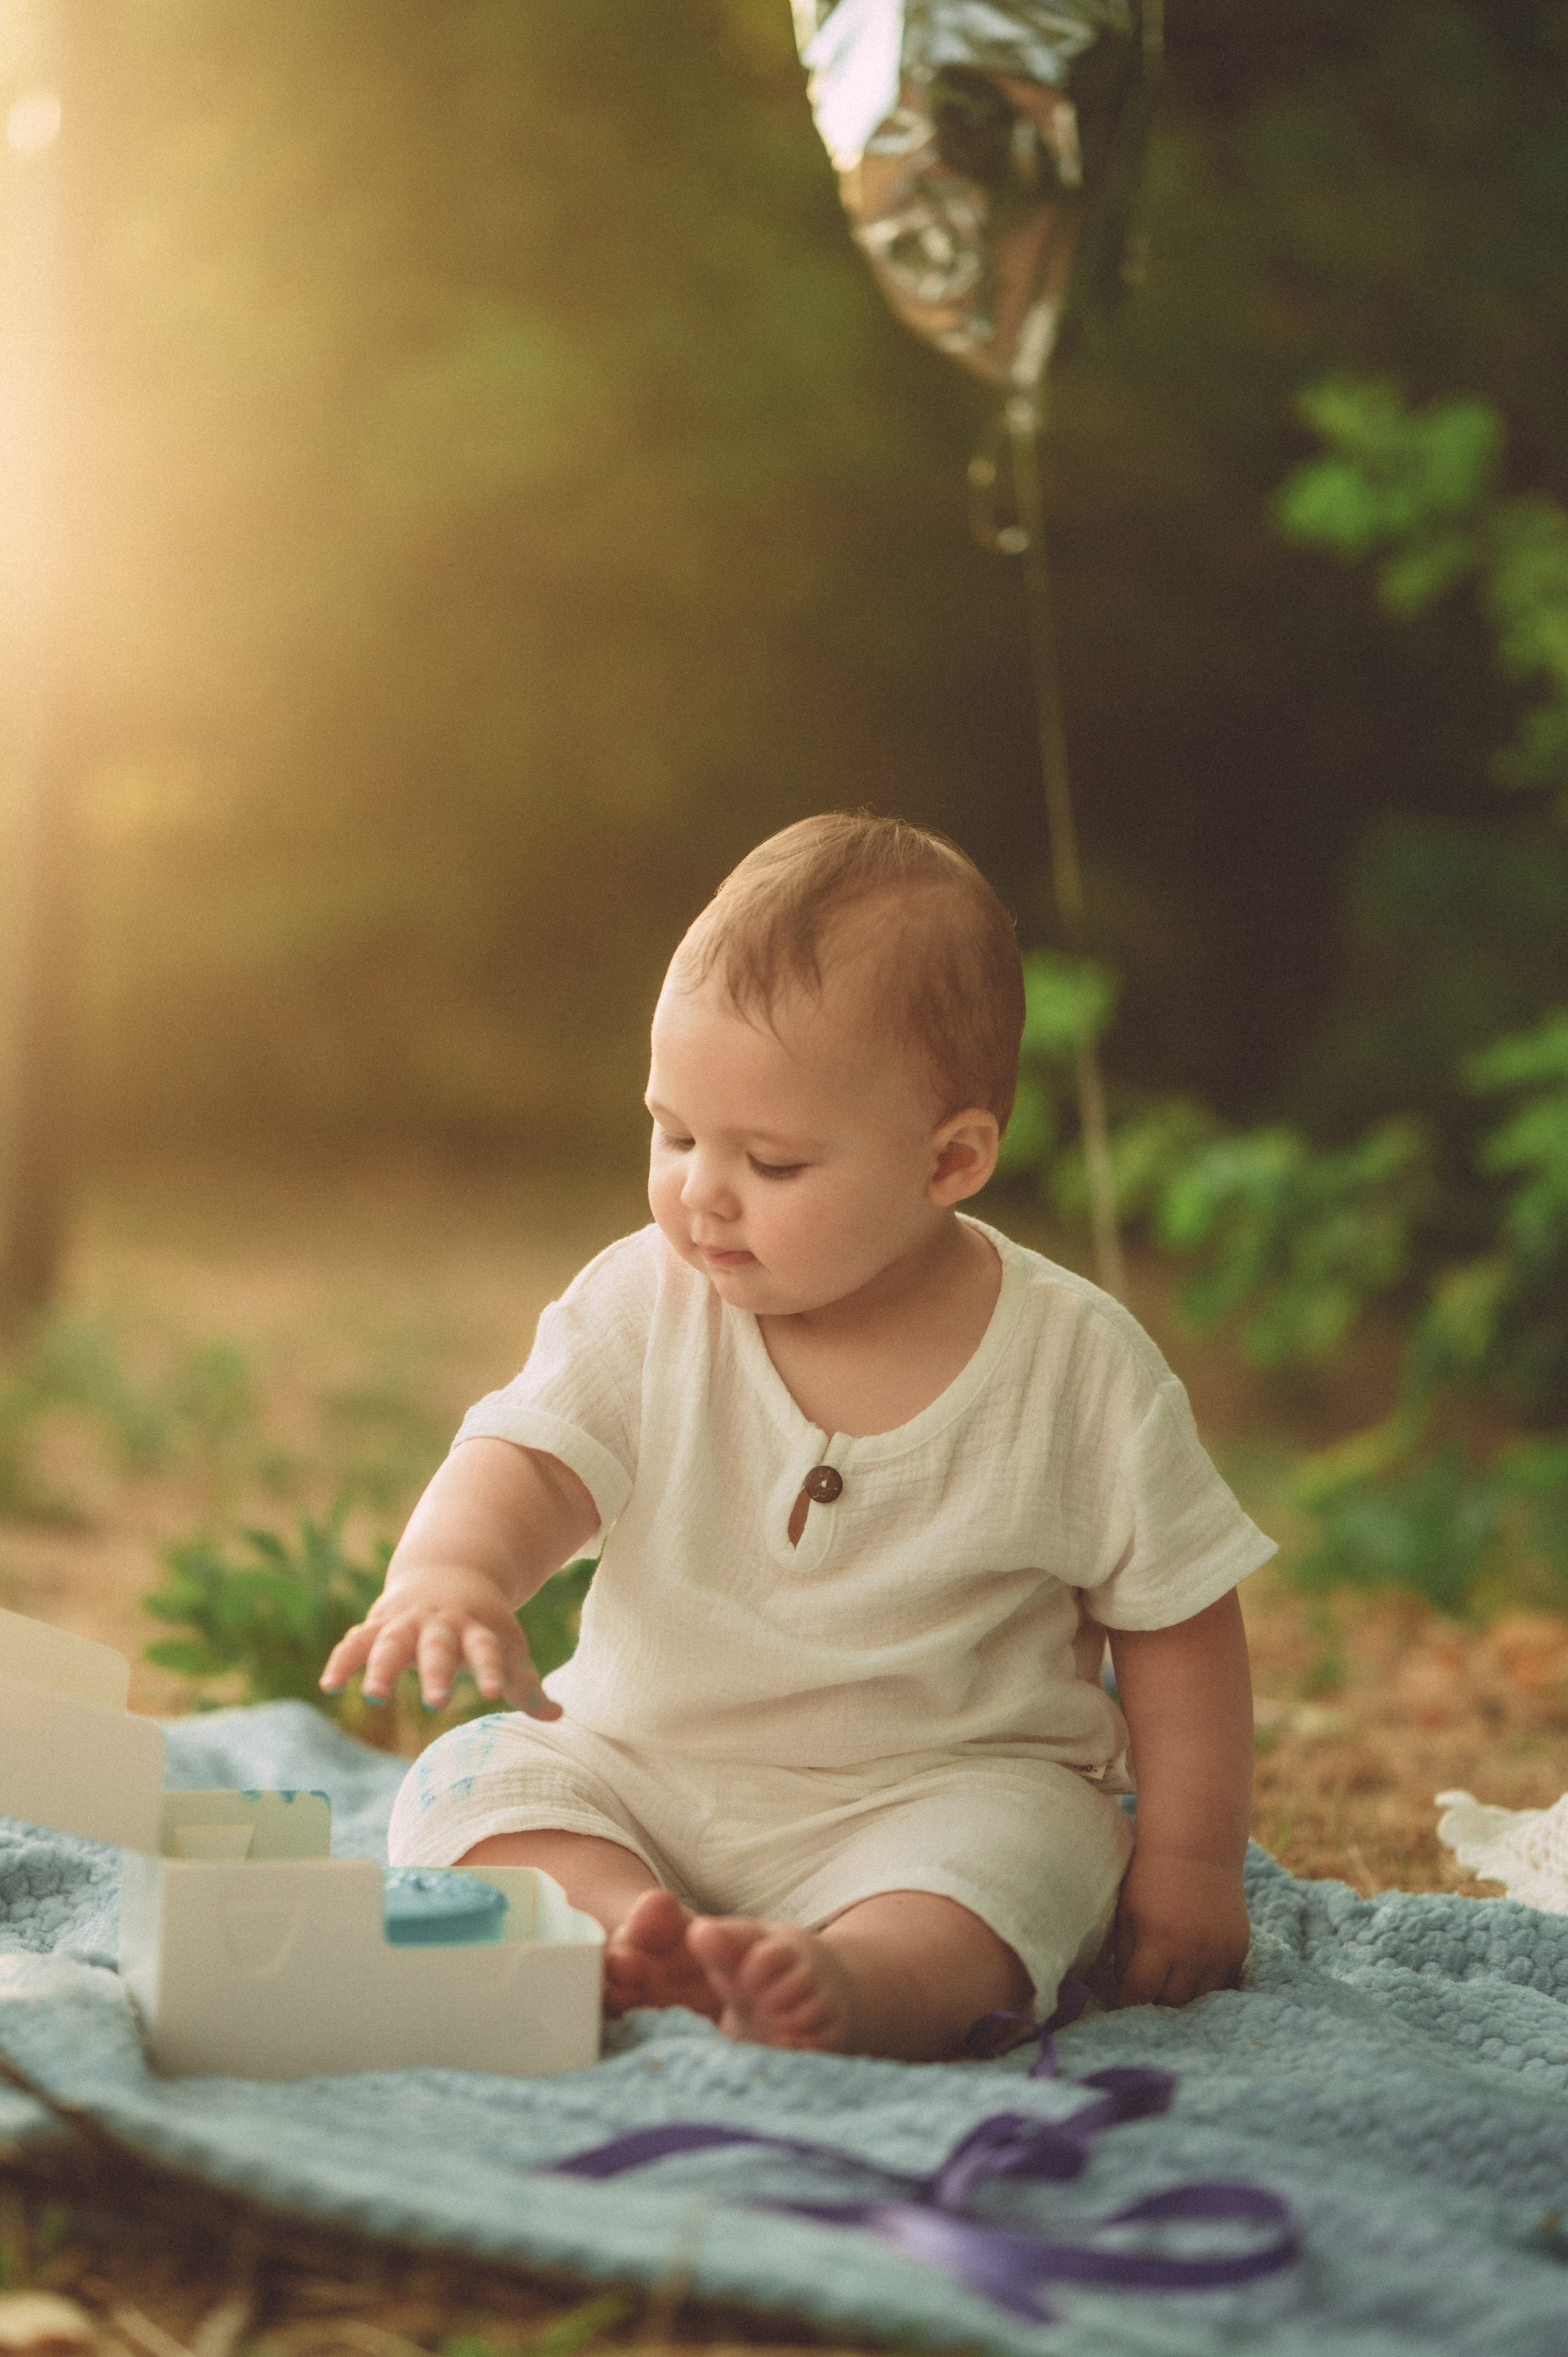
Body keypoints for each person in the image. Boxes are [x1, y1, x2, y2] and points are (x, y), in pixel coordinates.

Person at [322, 813, 1272, 2062]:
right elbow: (531, 1458)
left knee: (1034, 1853)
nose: (699, 1191)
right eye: (672, 1133)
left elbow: (1178, 1624)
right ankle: (627, 1935)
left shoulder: (1074, 1366)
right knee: (473, 1783)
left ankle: (851, 1982)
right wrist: (452, 1572)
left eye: (768, 1159)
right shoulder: (640, 1299)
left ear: (949, 1159)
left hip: (927, 1801)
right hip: (639, 1771)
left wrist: (1190, 1859)